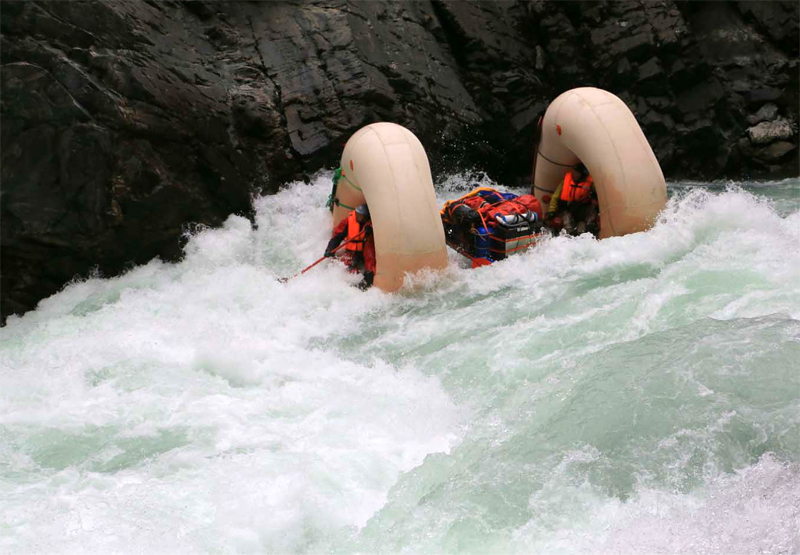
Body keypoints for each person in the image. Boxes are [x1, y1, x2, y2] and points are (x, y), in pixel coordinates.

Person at [324, 203, 376, 290]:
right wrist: (330, 249)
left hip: (364, 249)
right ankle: (340, 282)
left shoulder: (369, 225)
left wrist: (370, 271)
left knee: (369, 267)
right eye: (358, 215)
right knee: (346, 264)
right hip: (352, 251)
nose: (359, 217)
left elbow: (369, 252)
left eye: (362, 216)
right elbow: (337, 237)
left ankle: (365, 282)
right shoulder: (348, 221)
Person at [544, 163, 598, 235]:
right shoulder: (566, 180)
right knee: (567, 222)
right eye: (574, 171)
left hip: (582, 208)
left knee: (583, 223)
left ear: (582, 174)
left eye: (577, 172)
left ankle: (583, 233)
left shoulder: (589, 182)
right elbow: (555, 197)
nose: (574, 174)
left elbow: (596, 194)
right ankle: (568, 235)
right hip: (567, 208)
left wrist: (594, 198)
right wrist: (552, 211)